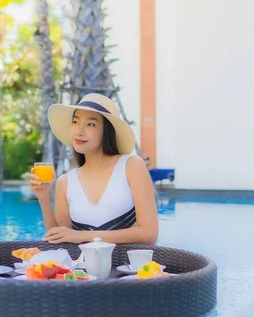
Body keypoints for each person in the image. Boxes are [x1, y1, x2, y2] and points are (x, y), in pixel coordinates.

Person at [30, 93, 158, 244]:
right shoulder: (65, 182)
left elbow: (149, 233)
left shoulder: (131, 166)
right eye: (75, 122)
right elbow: (60, 241)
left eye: (91, 124)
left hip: (129, 267)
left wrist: (84, 236)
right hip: (81, 268)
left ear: (106, 132)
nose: (79, 131)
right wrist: (43, 198)